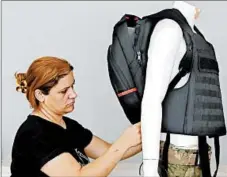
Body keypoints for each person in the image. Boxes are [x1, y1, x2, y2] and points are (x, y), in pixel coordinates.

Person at [11, 56, 142, 177]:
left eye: (72, 86)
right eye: (63, 91)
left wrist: (154, 142)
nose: (73, 94)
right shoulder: (34, 135)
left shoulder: (67, 126)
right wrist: (124, 143)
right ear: (40, 95)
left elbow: (107, 151)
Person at [141, 1, 211, 177]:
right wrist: (149, 167)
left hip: (199, 156)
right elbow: (151, 100)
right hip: (177, 160)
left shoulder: (193, 34)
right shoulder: (169, 29)